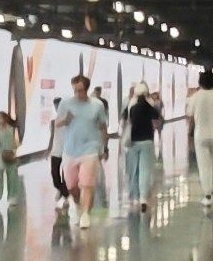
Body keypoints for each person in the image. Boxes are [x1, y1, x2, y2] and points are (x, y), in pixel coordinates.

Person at [56, 73, 112, 217]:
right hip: (70, 150)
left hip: (90, 149)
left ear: (86, 89)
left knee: (87, 184)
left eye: (80, 90)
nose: (77, 93)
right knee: (71, 185)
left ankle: (86, 214)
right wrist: (65, 120)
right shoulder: (66, 103)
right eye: (75, 90)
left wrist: (104, 147)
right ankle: (78, 203)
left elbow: (102, 127)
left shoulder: (97, 105)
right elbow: (56, 123)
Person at [124, 85, 162, 209]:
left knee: (133, 170)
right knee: (145, 171)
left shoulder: (132, 107)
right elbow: (158, 118)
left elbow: (127, 120)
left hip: (133, 141)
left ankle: (134, 197)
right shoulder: (150, 107)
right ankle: (143, 198)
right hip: (147, 141)